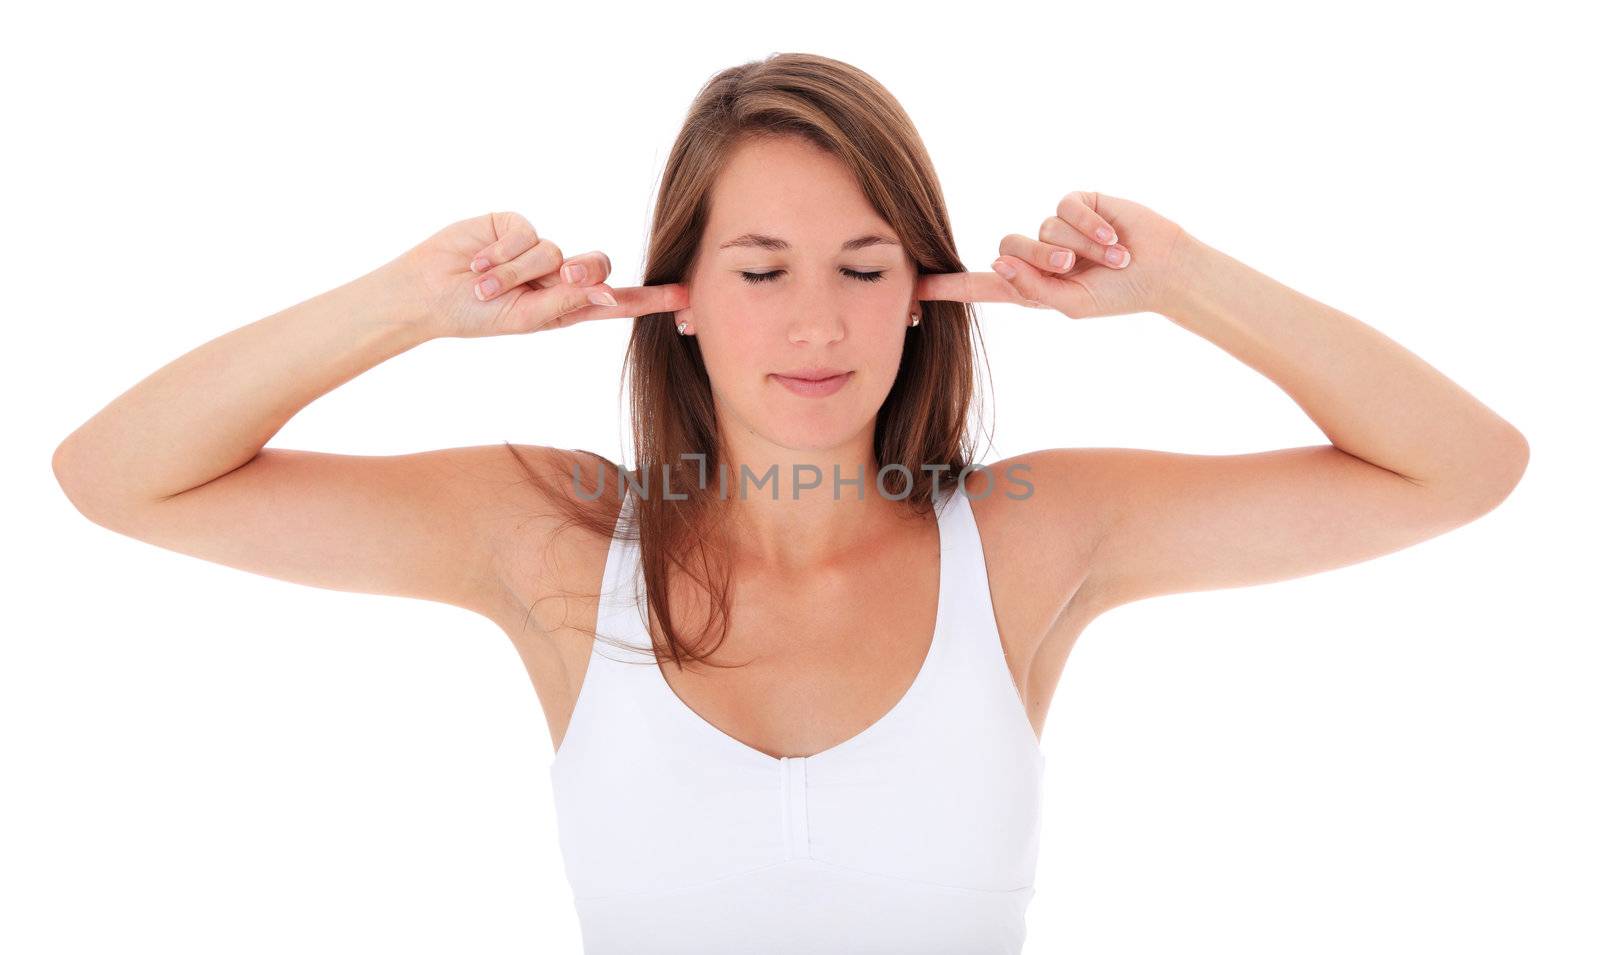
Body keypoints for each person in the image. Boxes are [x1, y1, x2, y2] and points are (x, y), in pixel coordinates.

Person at [50, 52, 1528, 955]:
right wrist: (405, 306)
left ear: (930, 291)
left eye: (864, 265)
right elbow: (115, 477)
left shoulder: (1024, 532)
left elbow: (1462, 468)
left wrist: (1186, 280)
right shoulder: (555, 534)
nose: (816, 323)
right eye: (759, 270)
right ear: (675, 298)